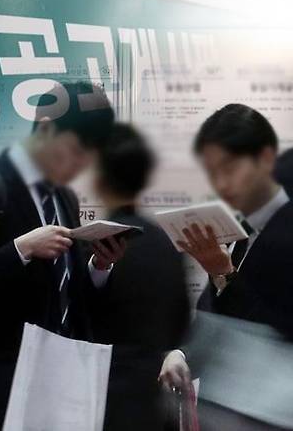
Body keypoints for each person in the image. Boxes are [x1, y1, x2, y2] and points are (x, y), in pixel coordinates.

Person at [158, 104, 293, 425]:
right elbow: (223, 314)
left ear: (264, 159)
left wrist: (224, 274)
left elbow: (281, 322)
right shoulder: (240, 230)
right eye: (213, 172)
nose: (222, 183)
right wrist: (183, 354)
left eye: (230, 167)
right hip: (263, 405)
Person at [0, 81, 126, 431]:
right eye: (76, 150)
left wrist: (99, 267)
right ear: (45, 129)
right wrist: (19, 250)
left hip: (60, 394)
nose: (81, 165)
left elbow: (65, 294)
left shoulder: (64, 198)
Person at [90, 123, 190, 430]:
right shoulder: (166, 243)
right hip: (154, 399)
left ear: (99, 180)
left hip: (98, 397)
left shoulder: (91, 245)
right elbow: (180, 322)